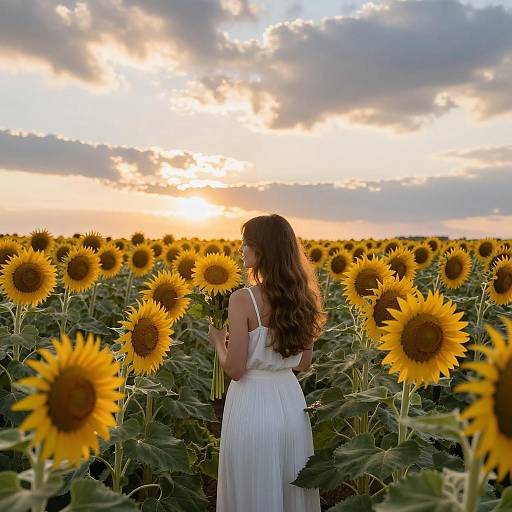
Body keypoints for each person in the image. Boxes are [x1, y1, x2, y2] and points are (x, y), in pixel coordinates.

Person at [208, 214, 327, 512]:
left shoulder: (242, 300)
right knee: (288, 487)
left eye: (247, 243)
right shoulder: (305, 299)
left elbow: (235, 370)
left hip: (251, 404)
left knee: (252, 490)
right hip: (289, 403)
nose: (241, 249)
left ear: (263, 250)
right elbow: (303, 364)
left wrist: (218, 342)